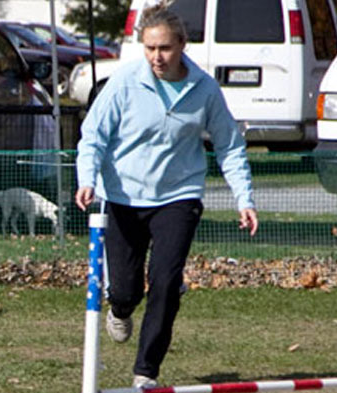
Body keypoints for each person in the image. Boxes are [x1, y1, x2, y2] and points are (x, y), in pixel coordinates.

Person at [74, 5, 258, 389]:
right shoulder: (123, 83)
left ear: (182, 46)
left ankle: (146, 372)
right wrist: (87, 178)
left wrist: (244, 199)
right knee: (125, 290)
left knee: (166, 280)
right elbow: (93, 135)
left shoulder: (204, 89)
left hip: (179, 195)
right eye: (149, 48)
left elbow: (229, 146)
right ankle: (121, 307)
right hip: (123, 195)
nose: (157, 57)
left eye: (165, 49)